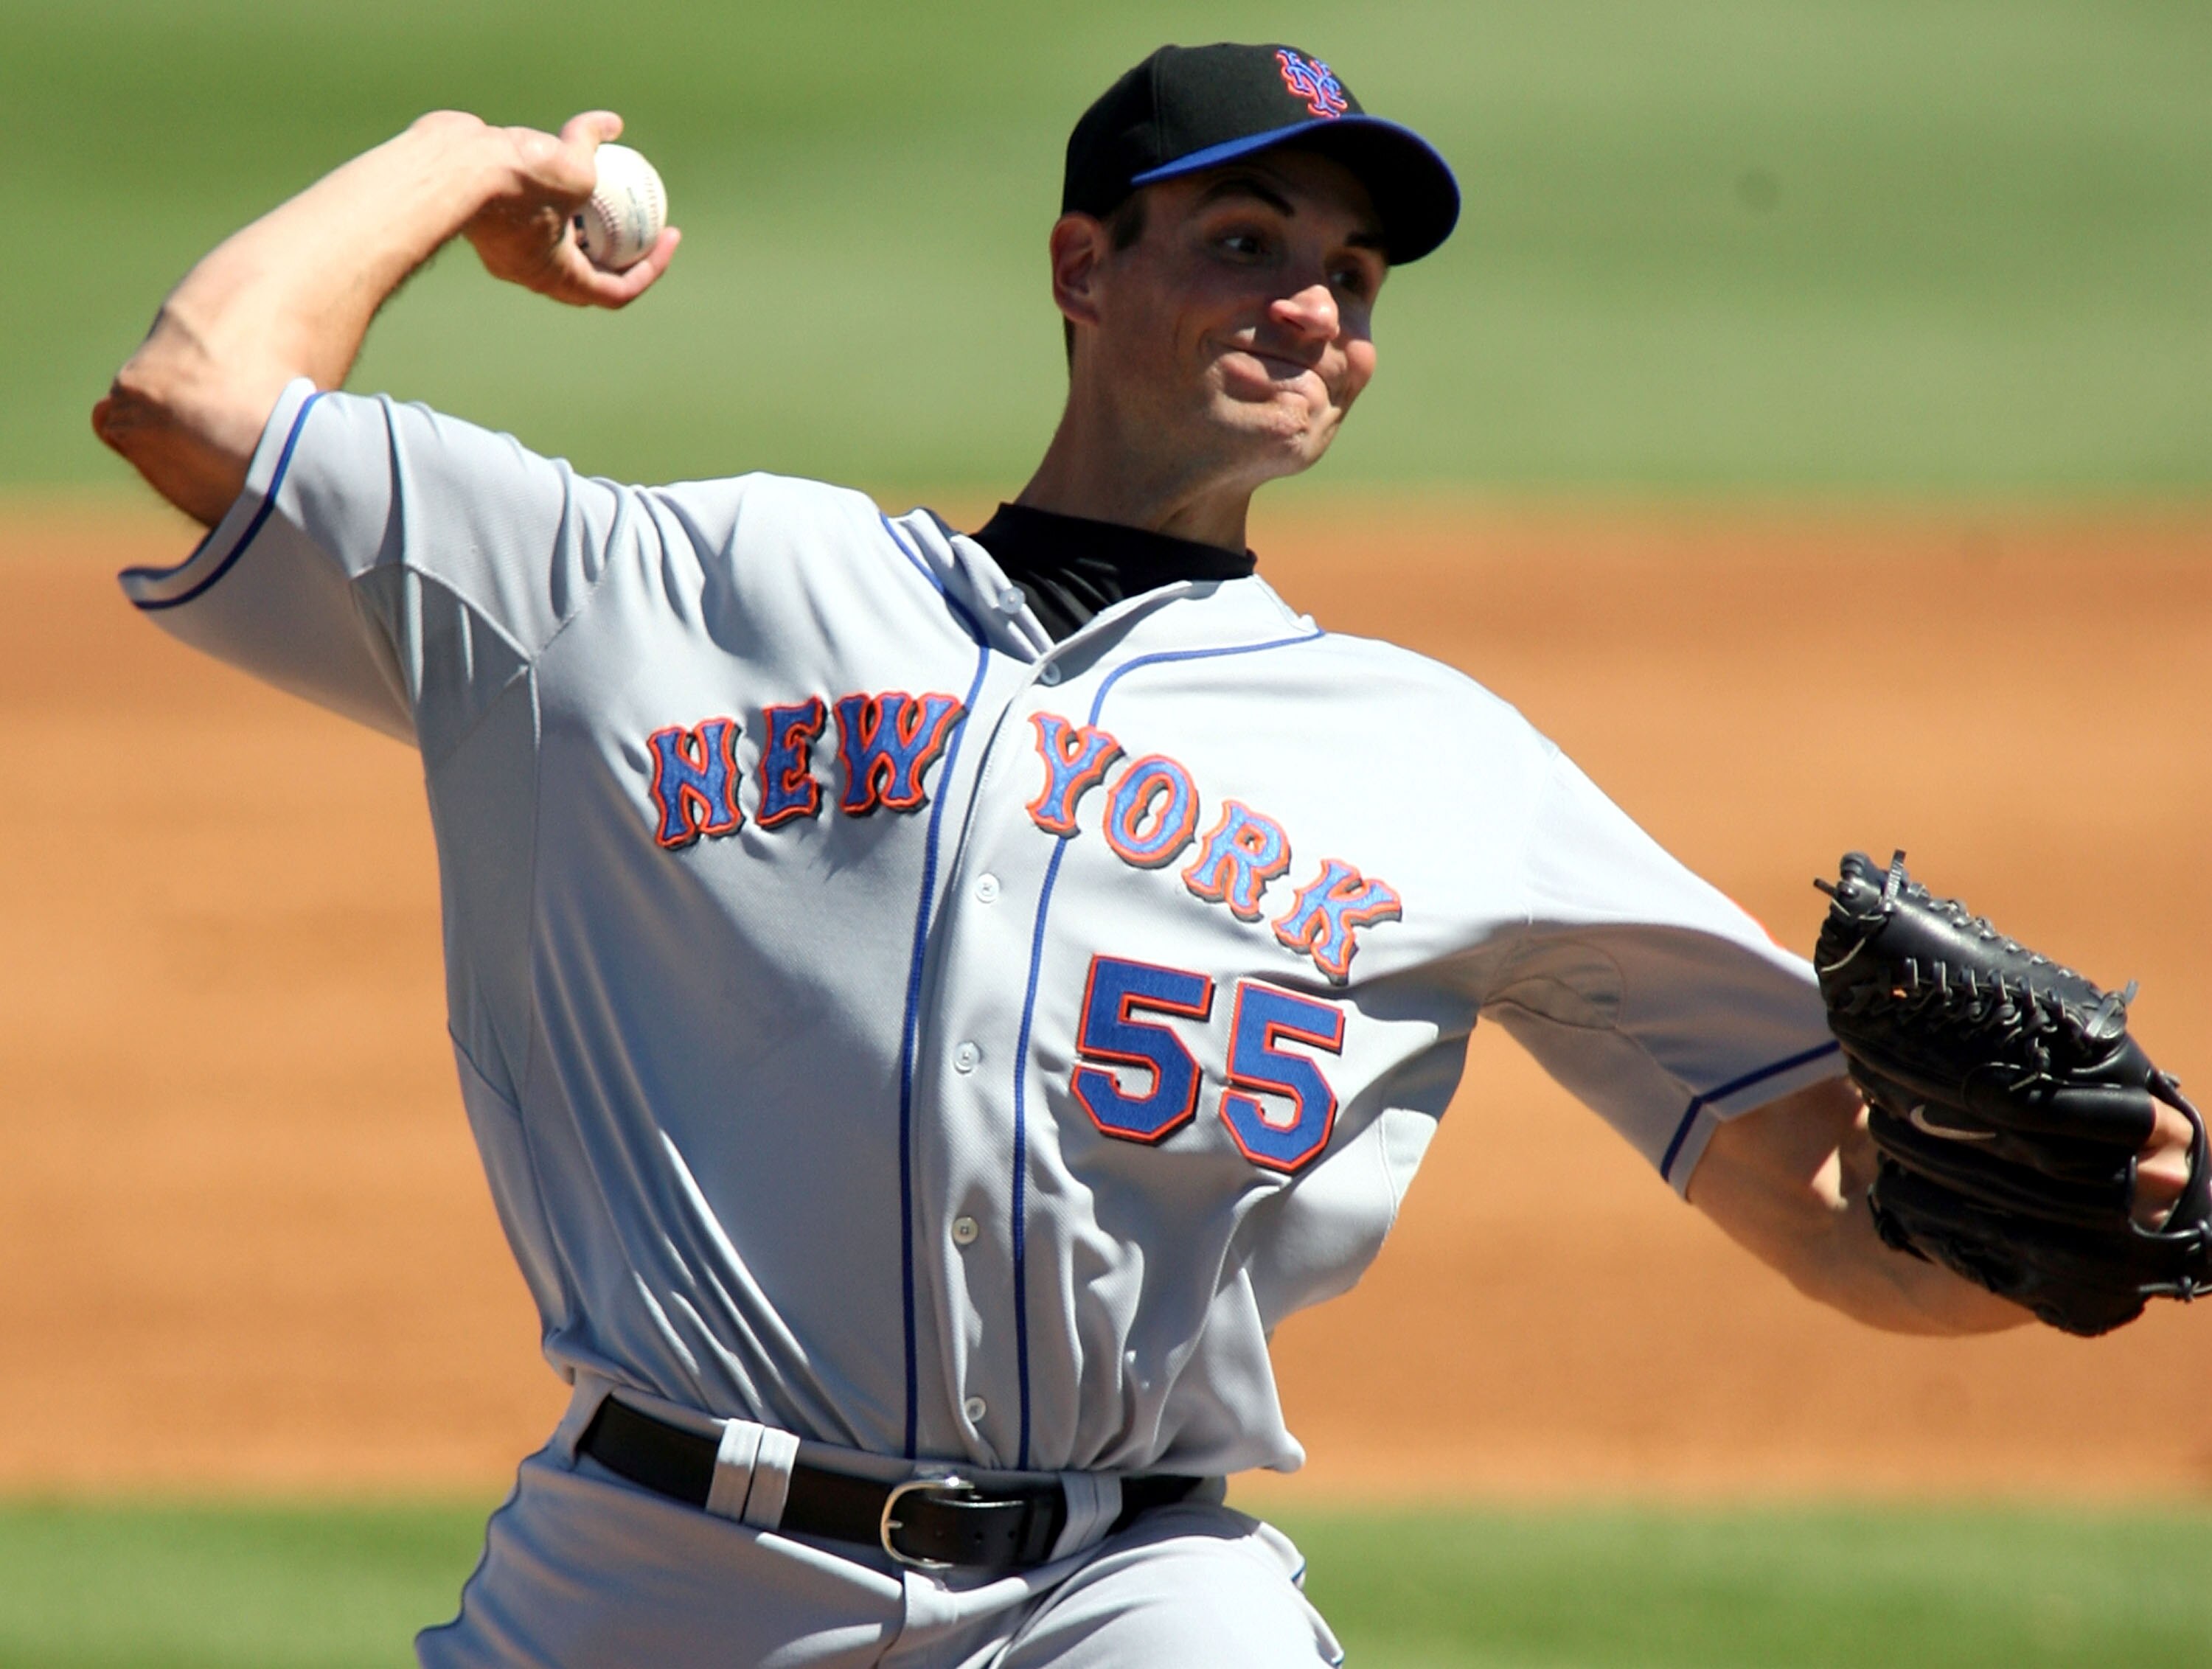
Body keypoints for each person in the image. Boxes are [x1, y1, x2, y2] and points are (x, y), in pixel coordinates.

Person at [93, 41, 2191, 1669]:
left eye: (1351, 278)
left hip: (1129, 1597)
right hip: (655, 1577)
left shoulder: (1437, 760)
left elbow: (1829, 1203)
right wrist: (470, 158)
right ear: (1085, 271)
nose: (1313, 309)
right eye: (1247, 243)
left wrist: (2082, 1243)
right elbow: (195, 394)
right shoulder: (666, 586)